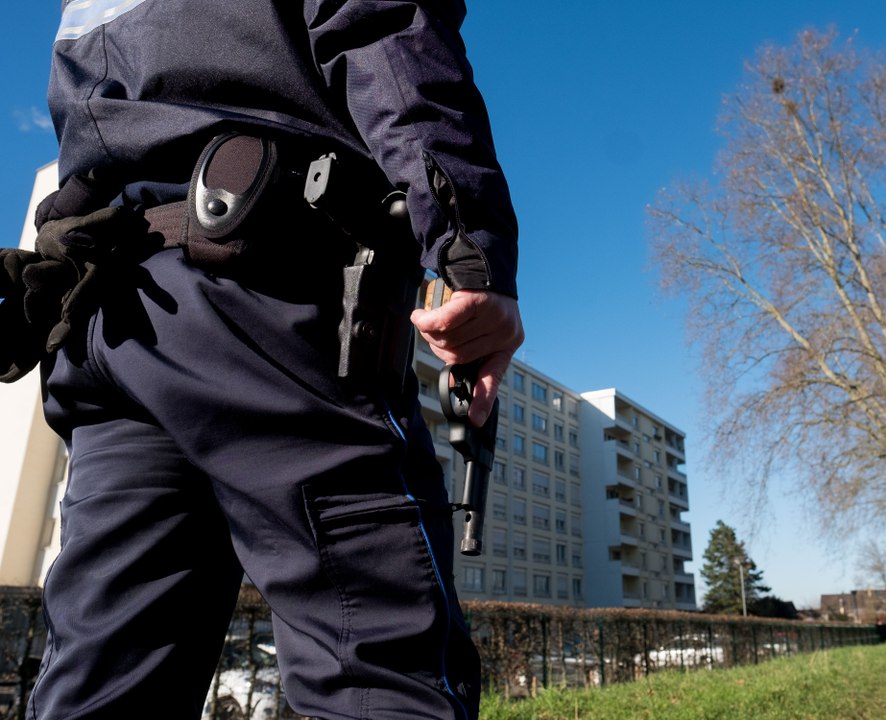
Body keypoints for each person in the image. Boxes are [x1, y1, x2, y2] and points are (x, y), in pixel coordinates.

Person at [17, 1, 523, 718]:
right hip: (267, 296)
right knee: (377, 664)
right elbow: (378, 25)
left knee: (101, 680)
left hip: (113, 317)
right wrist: (473, 256)